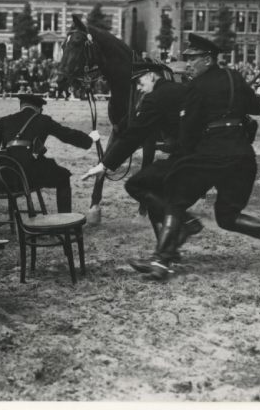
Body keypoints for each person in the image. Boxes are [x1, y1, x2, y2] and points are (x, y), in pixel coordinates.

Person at [128, 34, 260, 281]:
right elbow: (257, 108)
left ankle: (161, 261)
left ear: (208, 59)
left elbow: (188, 133)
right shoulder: (233, 77)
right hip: (242, 156)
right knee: (228, 216)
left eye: (193, 59)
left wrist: (174, 148)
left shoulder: (195, 87)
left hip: (212, 155)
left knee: (175, 200)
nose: (188, 64)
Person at [81, 62, 198, 262]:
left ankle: (184, 225)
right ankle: (167, 251)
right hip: (197, 153)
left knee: (138, 185)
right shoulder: (183, 89)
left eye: (139, 81)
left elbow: (134, 135)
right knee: (150, 189)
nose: (138, 87)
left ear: (152, 76)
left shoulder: (155, 98)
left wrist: (104, 164)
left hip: (192, 160)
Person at [0, 92, 100, 236]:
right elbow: (67, 134)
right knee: (64, 176)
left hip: (5, 180)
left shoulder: (5, 121)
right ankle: (66, 224)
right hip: (29, 178)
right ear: (38, 108)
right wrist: (89, 140)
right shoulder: (43, 120)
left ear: (21, 106)